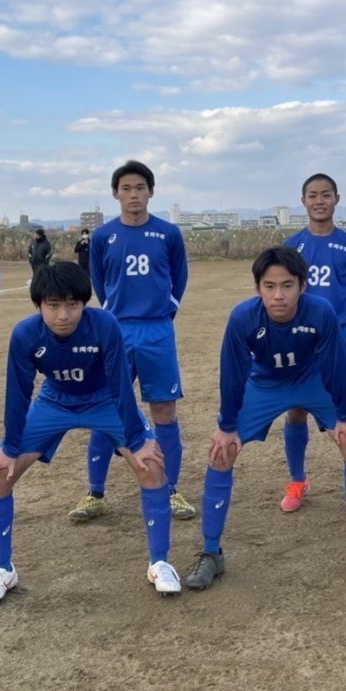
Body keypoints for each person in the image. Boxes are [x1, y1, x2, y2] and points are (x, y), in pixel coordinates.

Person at [0, 261, 179, 605]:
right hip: (54, 402)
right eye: (53, 305)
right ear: (39, 305)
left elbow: (120, 384)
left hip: (104, 400)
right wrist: (9, 448)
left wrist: (136, 441)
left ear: (84, 303)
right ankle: (1, 570)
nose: (63, 315)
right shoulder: (25, 334)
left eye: (72, 305)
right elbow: (18, 394)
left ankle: (159, 563)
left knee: (152, 466)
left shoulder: (105, 324)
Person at [184, 246, 346, 590]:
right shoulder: (242, 318)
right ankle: (211, 552)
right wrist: (227, 426)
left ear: (302, 286)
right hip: (266, 384)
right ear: (257, 288)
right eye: (269, 286)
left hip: (311, 380)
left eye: (287, 285)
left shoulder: (321, 312)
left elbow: (335, 365)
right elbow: (232, 373)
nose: (278, 295)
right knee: (221, 452)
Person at [69, 161, 194, 522]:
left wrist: (167, 309)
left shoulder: (168, 233)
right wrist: (113, 313)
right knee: (107, 408)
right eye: (126, 188)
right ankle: (95, 493)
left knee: (164, 410)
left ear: (151, 192)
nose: (134, 195)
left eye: (140, 187)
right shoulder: (104, 236)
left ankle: (170, 490)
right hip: (117, 331)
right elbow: (98, 281)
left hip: (157, 331)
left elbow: (179, 278)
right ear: (115, 193)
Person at [279, 173, 346, 512]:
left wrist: (341, 327)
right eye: (313, 195)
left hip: (342, 336)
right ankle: (297, 480)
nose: (319, 201)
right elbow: (282, 292)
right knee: (296, 408)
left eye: (326, 194)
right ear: (303, 201)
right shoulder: (291, 246)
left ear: (337, 199)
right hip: (300, 339)